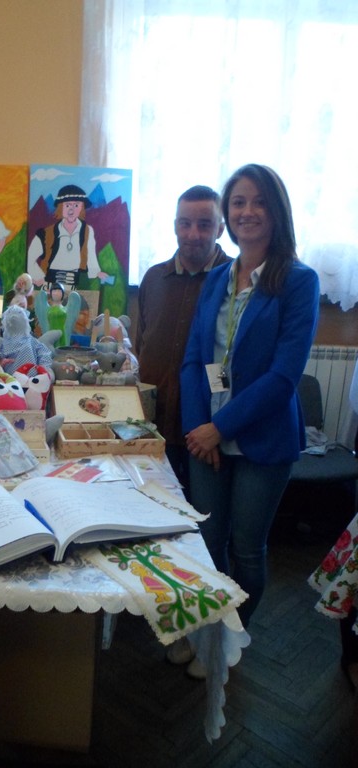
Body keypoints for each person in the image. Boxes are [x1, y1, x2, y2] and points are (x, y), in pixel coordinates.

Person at [181, 164, 320, 630]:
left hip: (262, 438)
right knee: (206, 542)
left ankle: (230, 639)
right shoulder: (217, 278)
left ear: (277, 211)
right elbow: (194, 360)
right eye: (238, 202)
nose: (247, 211)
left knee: (246, 550)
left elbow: (283, 377)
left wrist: (219, 428)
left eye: (259, 201)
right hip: (207, 436)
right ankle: (207, 631)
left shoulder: (299, 281)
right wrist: (199, 429)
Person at [136, 185, 231, 492]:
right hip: (153, 425)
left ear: (220, 229)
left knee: (202, 513)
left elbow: (228, 360)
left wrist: (218, 425)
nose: (193, 234)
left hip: (207, 432)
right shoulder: (153, 278)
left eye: (204, 225)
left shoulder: (234, 281)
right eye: (184, 223)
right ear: (175, 225)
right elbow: (142, 345)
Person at [27, 185, 109, 290]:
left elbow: (91, 257)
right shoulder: (45, 234)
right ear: (60, 207)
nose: (71, 210)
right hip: (50, 285)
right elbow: (30, 257)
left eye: (76, 205)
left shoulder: (87, 231)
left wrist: (97, 272)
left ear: (82, 207)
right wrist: (38, 276)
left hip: (76, 285)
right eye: (67, 205)